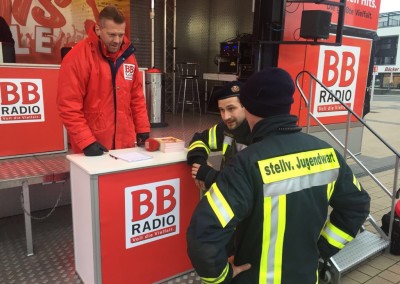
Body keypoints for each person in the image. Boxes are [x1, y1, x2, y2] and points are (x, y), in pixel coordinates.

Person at [186, 67, 371, 283]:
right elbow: (357, 206)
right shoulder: (327, 153)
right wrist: (322, 248)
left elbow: (204, 233)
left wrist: (220, 276)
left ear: (250, 109)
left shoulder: (247, 163)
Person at [57, 5, 150, 156]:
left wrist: (142, 128)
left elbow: (136, 97)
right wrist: (86, 141)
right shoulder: (77, 58)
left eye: (121, 35)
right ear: (98, 29)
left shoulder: (128, 57)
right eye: (112, 34)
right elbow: (69, 105)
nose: (117, 40)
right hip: (93, 146)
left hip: (125, 146)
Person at [187, 81, 251, 190]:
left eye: (231, 109)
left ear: (245, 106)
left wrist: (210, 176)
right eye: (222, 110)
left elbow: (247, 185)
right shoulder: (224, 128)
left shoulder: (257, 133)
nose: (226, 117)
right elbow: (199, 139)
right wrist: (200, 162)